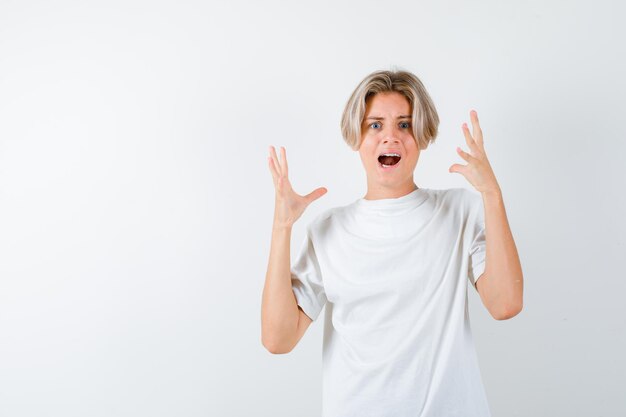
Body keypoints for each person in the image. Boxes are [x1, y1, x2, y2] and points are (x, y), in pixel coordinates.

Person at [261, 69, 524, 417]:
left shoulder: (459, 212)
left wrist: (492, 193)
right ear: (357, 137)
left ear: (423, 134)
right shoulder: (328, 230)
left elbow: (505, 304)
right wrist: (282, 227)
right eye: (375, 125)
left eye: (404, 124)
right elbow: (278, 339)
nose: (391, 137)